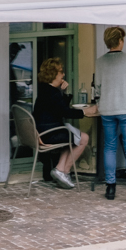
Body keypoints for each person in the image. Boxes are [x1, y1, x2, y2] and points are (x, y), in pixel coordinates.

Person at [93, 27, 126, 204]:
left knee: (109, 146)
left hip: (107, 109)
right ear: (120, 41)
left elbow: (97, 86)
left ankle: (110, 187)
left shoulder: (99, 62)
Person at [33, 57, 89, 189]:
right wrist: (86, 112)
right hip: (49, 133)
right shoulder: (52, 93)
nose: (63, 74)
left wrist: (63, 93)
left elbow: (59, 108)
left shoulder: (45, 90)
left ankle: (59, 170)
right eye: (61, 71)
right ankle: (65, 171)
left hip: (44, 130)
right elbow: (65, 112)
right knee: (83, 138)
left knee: (70, 136)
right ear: (53, 74)